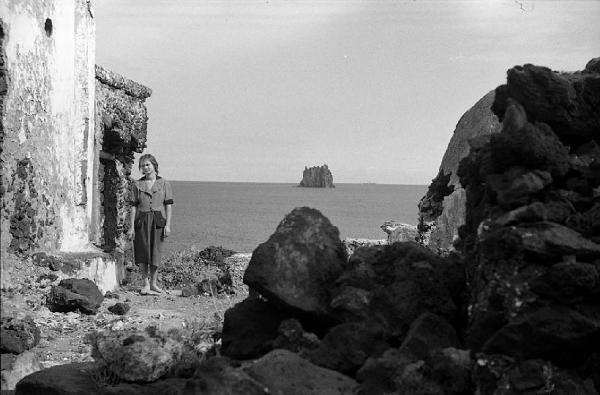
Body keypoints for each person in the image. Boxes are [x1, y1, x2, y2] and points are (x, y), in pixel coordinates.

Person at [127, 154, 173, 295]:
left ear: (154, 165)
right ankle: (145, 284)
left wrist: (168, 225)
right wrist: (131, 227)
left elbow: (168, 206)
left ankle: (154, 283)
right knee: (142, 252)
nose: (145, 168)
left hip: (158, 221)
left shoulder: (164, 184)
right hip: (141, 221)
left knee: (155, 253)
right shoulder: (137, 184)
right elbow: (133, 206)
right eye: (142, 165)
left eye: (147, 164)